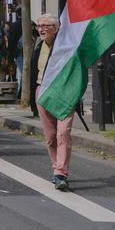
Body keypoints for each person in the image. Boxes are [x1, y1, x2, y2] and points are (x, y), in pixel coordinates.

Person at [29, 14, 73, 191]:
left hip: (64, 94)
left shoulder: (66, 47)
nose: (41, 28)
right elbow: (34, 71)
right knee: (50, 136)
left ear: (56, 28)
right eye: (39, 25)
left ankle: (61, 172)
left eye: (46, 25)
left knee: (63, 133)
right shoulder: (38, 46)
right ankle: (57, 168)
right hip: (43, 92)